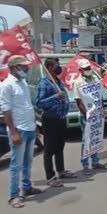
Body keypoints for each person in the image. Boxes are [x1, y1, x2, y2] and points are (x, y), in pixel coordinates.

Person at [0, 55, 42, 208]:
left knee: (28, 162)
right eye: (24, 66)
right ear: (15, 67)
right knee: (16, 164)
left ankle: (27, 187)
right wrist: (14, 132)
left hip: (30, 127)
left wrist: (34, 125)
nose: (27, 68)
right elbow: (6, 111)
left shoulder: (23, 82)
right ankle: (14, 195)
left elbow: (27, 105)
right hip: (19, 130)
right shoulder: (7, 85)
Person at [36, 58, 76, 187]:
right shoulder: (44, 83)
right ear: (49, 67)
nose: (59, 68)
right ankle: (50, 176)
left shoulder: (58, 81)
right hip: (50, 120)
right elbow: (40, 103)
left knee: (60, 146)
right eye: (56, 66)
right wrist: (56, 96)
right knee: (49, 149)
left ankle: (61, 170)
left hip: (60, 119)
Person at [73, 58, 106, 175]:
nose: (88, 70)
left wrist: (102, 108)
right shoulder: (78, 82)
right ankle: (85, 164)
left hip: (97, 114)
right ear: (80, 70)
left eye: (89, 68)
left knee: (95, 137)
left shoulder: (95, 78)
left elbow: (99, 96)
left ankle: (95, 162)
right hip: (86, 116)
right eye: (86, 69)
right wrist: (86, 115)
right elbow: (78, 101)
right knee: (86, 139)